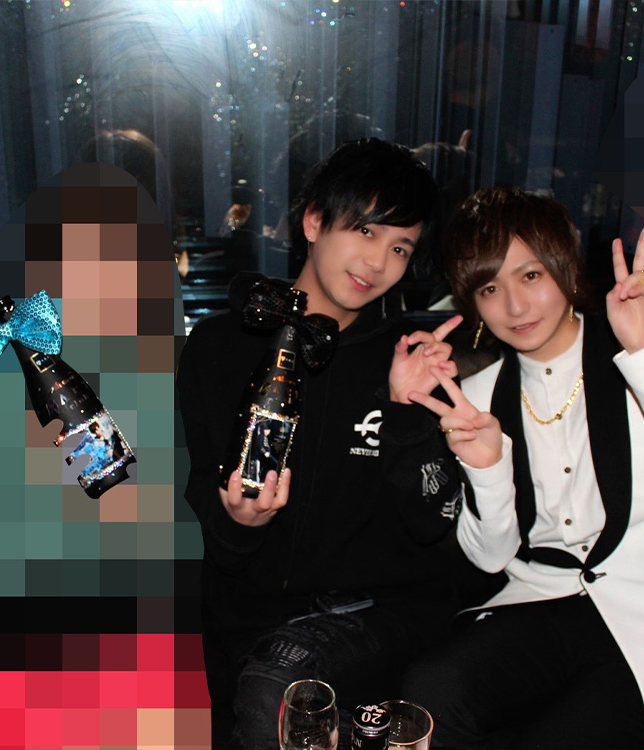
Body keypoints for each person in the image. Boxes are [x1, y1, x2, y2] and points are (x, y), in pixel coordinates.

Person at [400, 188, 644, 749]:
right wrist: (489, 468)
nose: (515, 307)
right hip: (537, 601)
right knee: (426, 699)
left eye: (531, 275)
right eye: (490, 288)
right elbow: (491, 557)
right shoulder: (478, 394)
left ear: (566, 270)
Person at [177, 138, 466, 749]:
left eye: (400, 247)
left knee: (279, 692)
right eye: (365, 230)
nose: (377, 262)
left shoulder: (409, 361)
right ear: (313, 221)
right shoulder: (219, 347)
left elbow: (433, 523)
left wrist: (406, 415)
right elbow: (198, 493)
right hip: (246, 614)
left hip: (375, 615)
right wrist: (239, 523)